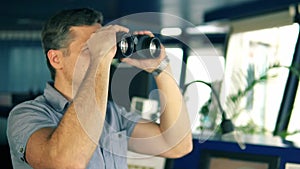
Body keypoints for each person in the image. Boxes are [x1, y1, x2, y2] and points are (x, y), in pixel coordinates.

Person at [7, 8, 192, 169]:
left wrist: (161, 68)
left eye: (105, 48)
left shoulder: (112, 114)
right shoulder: (26, 115)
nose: (106, 55)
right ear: (56, 59)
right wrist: (101, 55)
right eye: (90, 49)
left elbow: (177, 145)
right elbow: (68, 163)